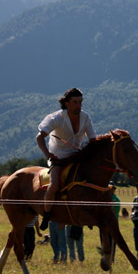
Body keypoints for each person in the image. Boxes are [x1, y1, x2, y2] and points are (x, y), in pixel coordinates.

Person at [36, 88, 96, 230]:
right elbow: (39, 137)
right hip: (58, 157)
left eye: (80, 102)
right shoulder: (55, 118)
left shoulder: (86, 117)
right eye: (75, 102)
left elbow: (93, 140)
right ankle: (47, 214)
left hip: (77, 157)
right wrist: (47, 154)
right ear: (67, 103)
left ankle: (89, 212)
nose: (79, 105)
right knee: (55, 184)